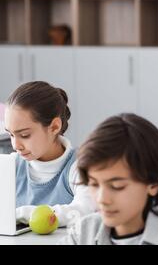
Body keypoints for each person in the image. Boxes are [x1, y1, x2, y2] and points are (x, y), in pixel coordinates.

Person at [60, 113, 158, 245]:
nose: (102, 199)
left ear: (153, 184)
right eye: (94, 184)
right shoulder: (83, 231)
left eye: (117, 186)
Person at [3, 81, 95, 226]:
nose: (16, 146)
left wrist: (20, 214)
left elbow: (84, 211)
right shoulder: (11, 165)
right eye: (11, 135)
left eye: (25, 135)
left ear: (54, 127)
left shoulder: (80, 166)